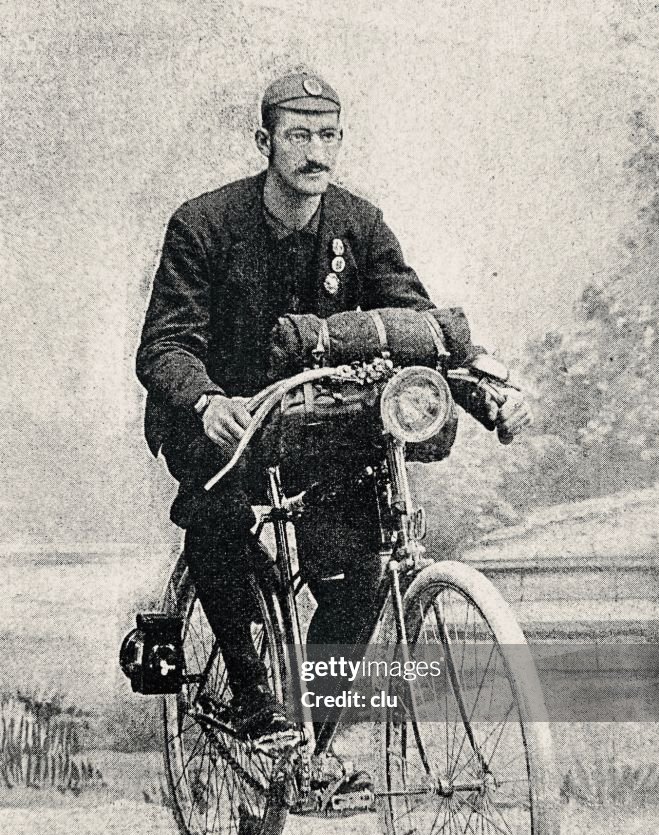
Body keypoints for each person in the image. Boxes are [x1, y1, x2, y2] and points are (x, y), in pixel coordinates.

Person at [136, 71, 529, 750]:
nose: (315, 151)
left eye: (327, 135)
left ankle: (310, 744)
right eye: (298, 135)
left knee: (360, 569)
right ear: (266, 141)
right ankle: (254, 701)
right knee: (220, 516)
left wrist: (486, 386)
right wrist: (205, 400)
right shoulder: (203, 223)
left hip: (314, 426)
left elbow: (415, 322)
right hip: (223, 420)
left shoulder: (359, 222)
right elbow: (165, 344)